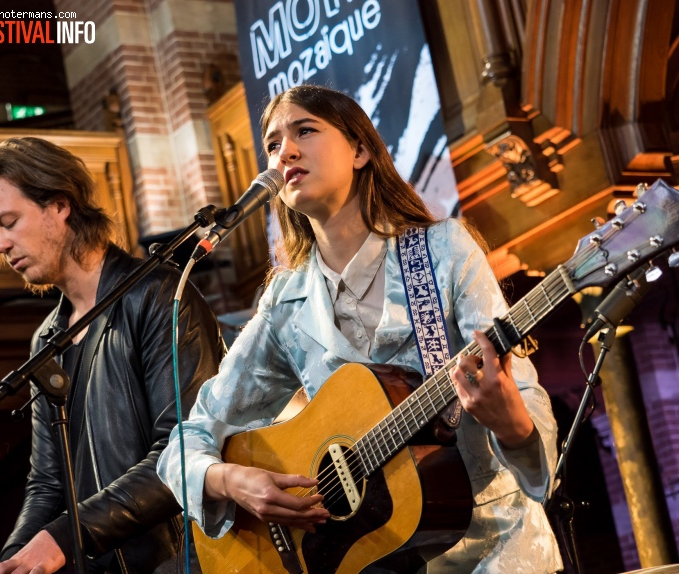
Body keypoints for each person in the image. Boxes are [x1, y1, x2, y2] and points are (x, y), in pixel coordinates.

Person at [157, 84, 563, 572]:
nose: (284, 151)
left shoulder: (442, 252)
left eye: (305, 130)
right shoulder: (286, 305)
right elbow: (187, 441)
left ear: (360, 150)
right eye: (271, 144)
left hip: (497, 548)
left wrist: (511, 422)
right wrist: (234, 481)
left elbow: (527, 406)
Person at [0, 137, 224, 574]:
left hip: (183, 560)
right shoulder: (46, 340)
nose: (1, 245)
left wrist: (62, 538)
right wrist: (13, 562)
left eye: (9, 222)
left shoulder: (157, 296)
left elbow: (184, 450)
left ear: (60, 206)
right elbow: (46, 483)